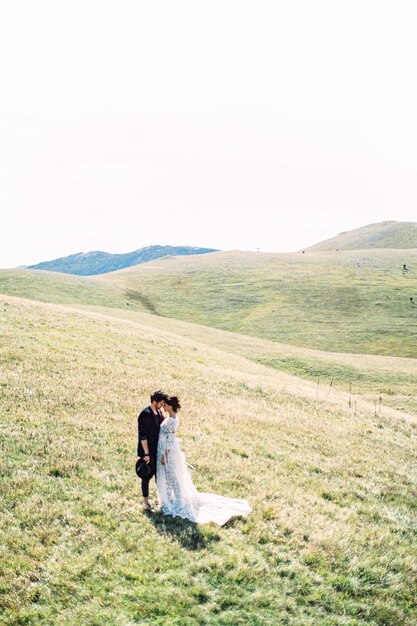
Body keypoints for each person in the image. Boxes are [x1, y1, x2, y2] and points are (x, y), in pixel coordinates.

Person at [156, 396, 251, 526]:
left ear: (171, 406)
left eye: (166, 405)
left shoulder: (172, 421)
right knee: (168, 476)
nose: (164, 407)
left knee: (172, 476)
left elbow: (171, 440)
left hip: (168, 453)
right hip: (164, 450)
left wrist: (165, 456)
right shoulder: (169, 418)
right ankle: (170, 498)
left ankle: (176, 500)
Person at [137, 390, 169, 510]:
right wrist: (146, 453)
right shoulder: (145, 414)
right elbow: (142, 435)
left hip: (157, 450)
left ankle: (160, 500)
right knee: (146, 475)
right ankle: (145, 502)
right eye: (160, 403)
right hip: (148, 451)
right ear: (154, 402)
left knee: (158, 476)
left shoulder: (159, 413)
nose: (162, 405)